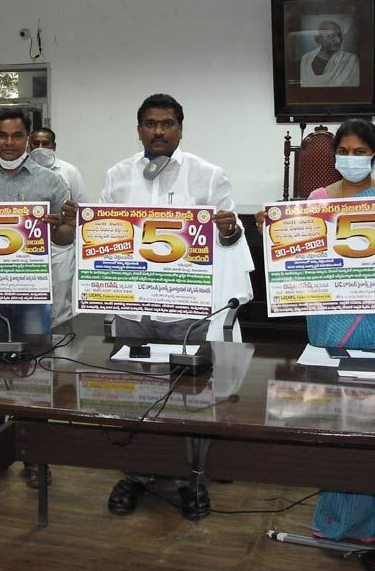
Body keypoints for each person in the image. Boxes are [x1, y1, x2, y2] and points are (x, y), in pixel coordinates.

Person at [258, 119, 375, 571]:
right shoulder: (316, 202)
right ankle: (343, 521)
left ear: (374, 155)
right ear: (333, 154)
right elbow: (300, 260)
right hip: (332, 331)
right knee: (342, 429)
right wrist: (273, 229)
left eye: (361, 151)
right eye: (344, 150)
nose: (351, 158)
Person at [100, 93, 254, 521]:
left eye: (167, 123)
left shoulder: (209, 175)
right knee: (133, 393)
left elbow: (230, 239)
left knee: (191, 396)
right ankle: (135, 475)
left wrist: (228, 229)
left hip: (188, 309)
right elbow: (104, 238)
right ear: (139, 129)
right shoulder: (117, 176)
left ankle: (192, 481)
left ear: (180, 128)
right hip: (134, 307)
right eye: (150, 123)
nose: (158, 131)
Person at [0, 108, 76, 490]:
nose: (9, 142)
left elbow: (64, 239)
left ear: (28, 138)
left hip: (31, 294)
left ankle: (33, 458)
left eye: (16, 135)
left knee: (33, 372)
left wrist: (63, 223)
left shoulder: (53, 182)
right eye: (2, 136)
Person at [28, 127, 86, 328]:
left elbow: (82, 208)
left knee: (60, 304)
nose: (41, 148)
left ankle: (62, 353)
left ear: (54, 146)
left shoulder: (69, 172)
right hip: (30, 250)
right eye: (36, 143)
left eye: (46, 144)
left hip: (60, 248)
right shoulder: (22, 172)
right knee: (33, 304)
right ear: (29, 145)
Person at [299, 21, 360, 88]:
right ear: (318, 39)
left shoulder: (351, 59)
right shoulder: (306, 59)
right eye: (331, 36)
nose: (338, 40)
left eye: (339, 35)